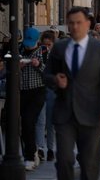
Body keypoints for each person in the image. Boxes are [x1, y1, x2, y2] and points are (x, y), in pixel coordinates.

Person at [44, 7, 100, 180]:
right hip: (65, 114)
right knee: (64, 159)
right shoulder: (59, 48)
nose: (75, 27)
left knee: (89, 163)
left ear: (88, 24)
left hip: (92, 114)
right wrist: (55, 80)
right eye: (71, 23)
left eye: (79, 23)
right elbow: (46, 75)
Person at [20, 26, 47, 171]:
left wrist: (39, 65)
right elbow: (10, 68)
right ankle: (31, 152)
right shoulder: (19, 48)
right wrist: (18, 66)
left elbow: (49, 71)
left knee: (29, 121)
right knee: (24, 124)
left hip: (38, 91)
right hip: (22, 91)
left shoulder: (43, 50)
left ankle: (30, 157)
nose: (29, 45)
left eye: (31, 42)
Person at [35, 29, 56, 163]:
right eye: (45, 45)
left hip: (52, 90)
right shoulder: (38, 54)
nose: (47, 47)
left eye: (49, 45)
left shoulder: (57, 56)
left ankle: (50, 149)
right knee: (40, 121)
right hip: (40, 89)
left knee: (50, 123)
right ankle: (41, 148)